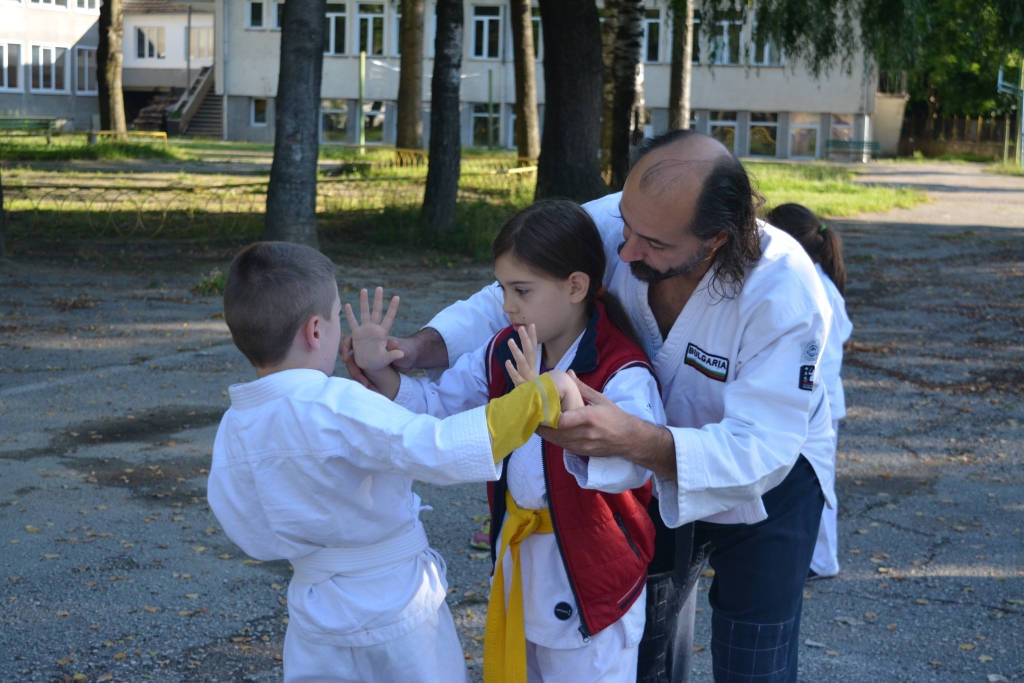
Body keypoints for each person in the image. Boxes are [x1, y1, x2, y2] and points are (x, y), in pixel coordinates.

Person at [347, 130, 837, 683]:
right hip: (641, 463)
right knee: (644, 642)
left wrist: (635, 439)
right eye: (625, 226)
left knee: (754, 661)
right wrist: (414, 351)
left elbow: (761, 448)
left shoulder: (785, 292)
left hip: (766, 483)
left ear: (716, 240)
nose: (624, 252)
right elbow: (507, 295)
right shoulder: (622, 219)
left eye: (651, 244)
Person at [206, 241, 582, 683]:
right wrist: (534, 398)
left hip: (313, 612)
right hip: (397, 606)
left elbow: (241, 518)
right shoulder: (338, 404)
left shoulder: (236, 423)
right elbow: (438, 447)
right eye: (333, 319)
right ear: (315, 332)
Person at [347, 200, 666, 683]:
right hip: (521, 562)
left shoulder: (621, 370)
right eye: (503, 288)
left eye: (522, 290)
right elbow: (439, 409)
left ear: (576, 286)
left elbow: (634, 468)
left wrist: (559, 411)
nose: (507, 306)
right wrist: (383, 375)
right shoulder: (503, 350)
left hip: (591, 579)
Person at [766, 204, 853, 579]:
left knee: (817, 483)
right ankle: (814, 558)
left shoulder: (813, 288)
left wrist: (806, 397)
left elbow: (826, 356)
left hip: (817, 403)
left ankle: (822, 561)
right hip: (816, 399)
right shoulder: (819, 283)